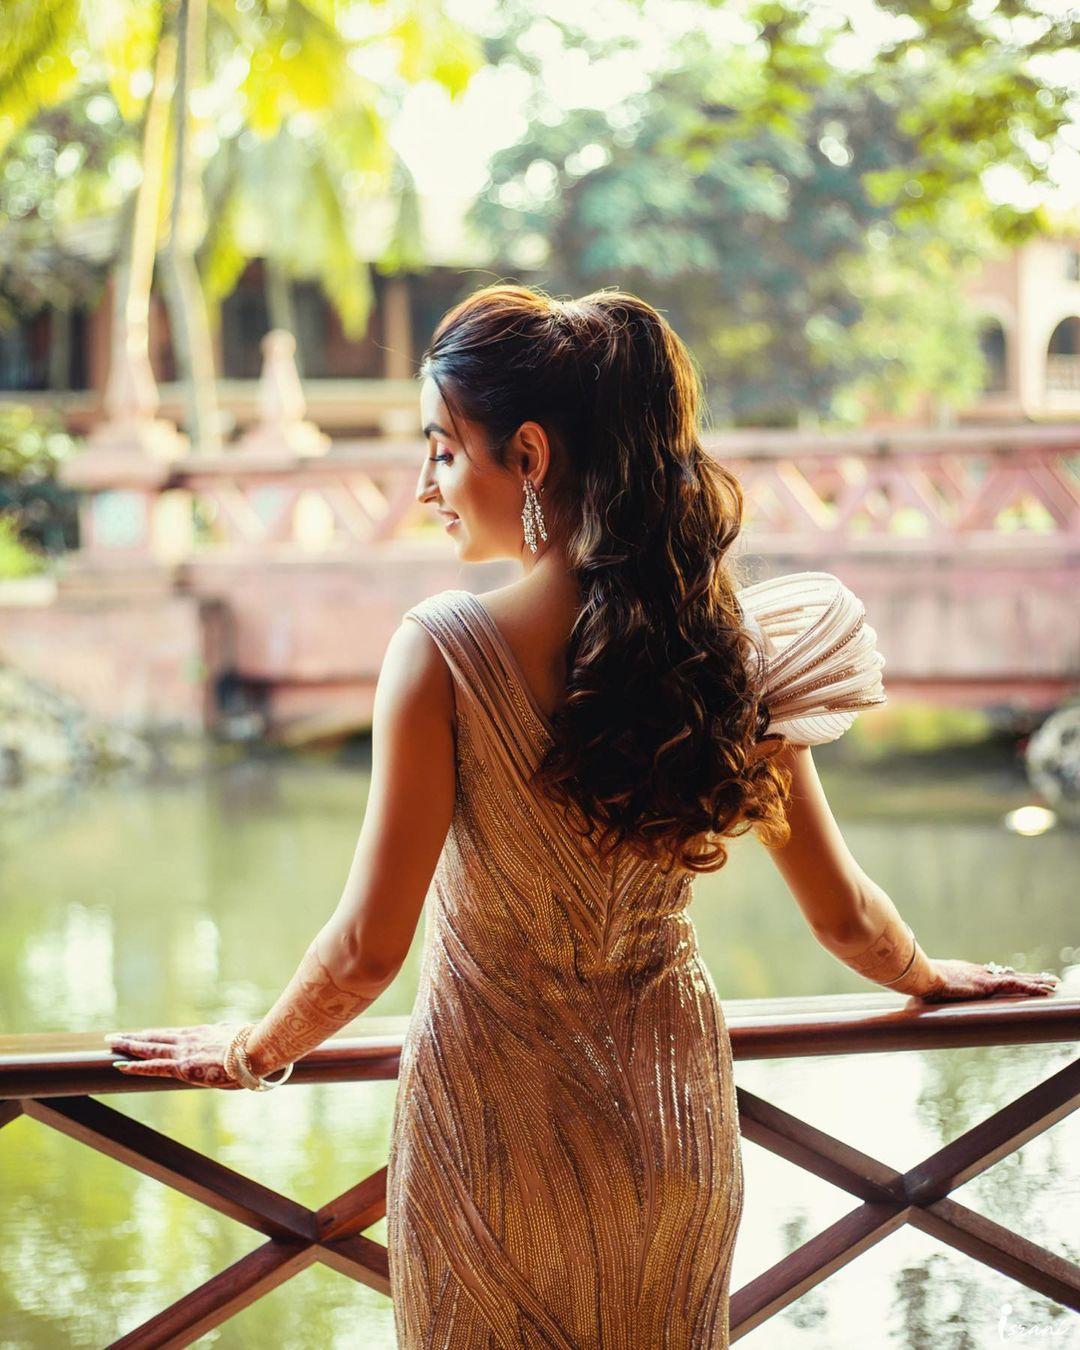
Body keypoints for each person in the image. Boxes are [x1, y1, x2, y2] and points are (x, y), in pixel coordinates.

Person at [106, 285, 1060, 1347]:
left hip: (492, 1134)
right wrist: (929, 976)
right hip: (671, 1130)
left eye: (441, 449)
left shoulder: (445, 651)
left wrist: (250, 1051)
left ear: (527, 454)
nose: (426, 485)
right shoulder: (723, 655)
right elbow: (844, 920)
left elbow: (365, 954)